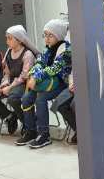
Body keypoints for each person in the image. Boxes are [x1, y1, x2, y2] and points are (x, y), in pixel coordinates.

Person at [17, 19, 71, 149]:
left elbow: (54, 69)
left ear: (59, 35)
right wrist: (33, 74)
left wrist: (36, 77)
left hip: (61, 83)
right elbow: (39, 63)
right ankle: (31, 130)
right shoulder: (48, 49)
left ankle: (44, 135)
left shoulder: (66, 50)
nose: (46, 38)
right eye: (45, 35)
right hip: (46, 82)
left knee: (40, 98)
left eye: (50, 35)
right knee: (26, 98)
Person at [0, 25, 38, 135]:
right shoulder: (9, 52)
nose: (7, 41)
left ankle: (27, 123)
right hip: (12, 82)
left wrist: (10, 87)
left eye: (10, 38)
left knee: (13, 98)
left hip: (25, 83)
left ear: (19, 40)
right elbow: (7, 73)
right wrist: (4, 83)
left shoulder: (27, 54)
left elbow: (24, 76)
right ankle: (9, 116)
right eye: (7, 38)